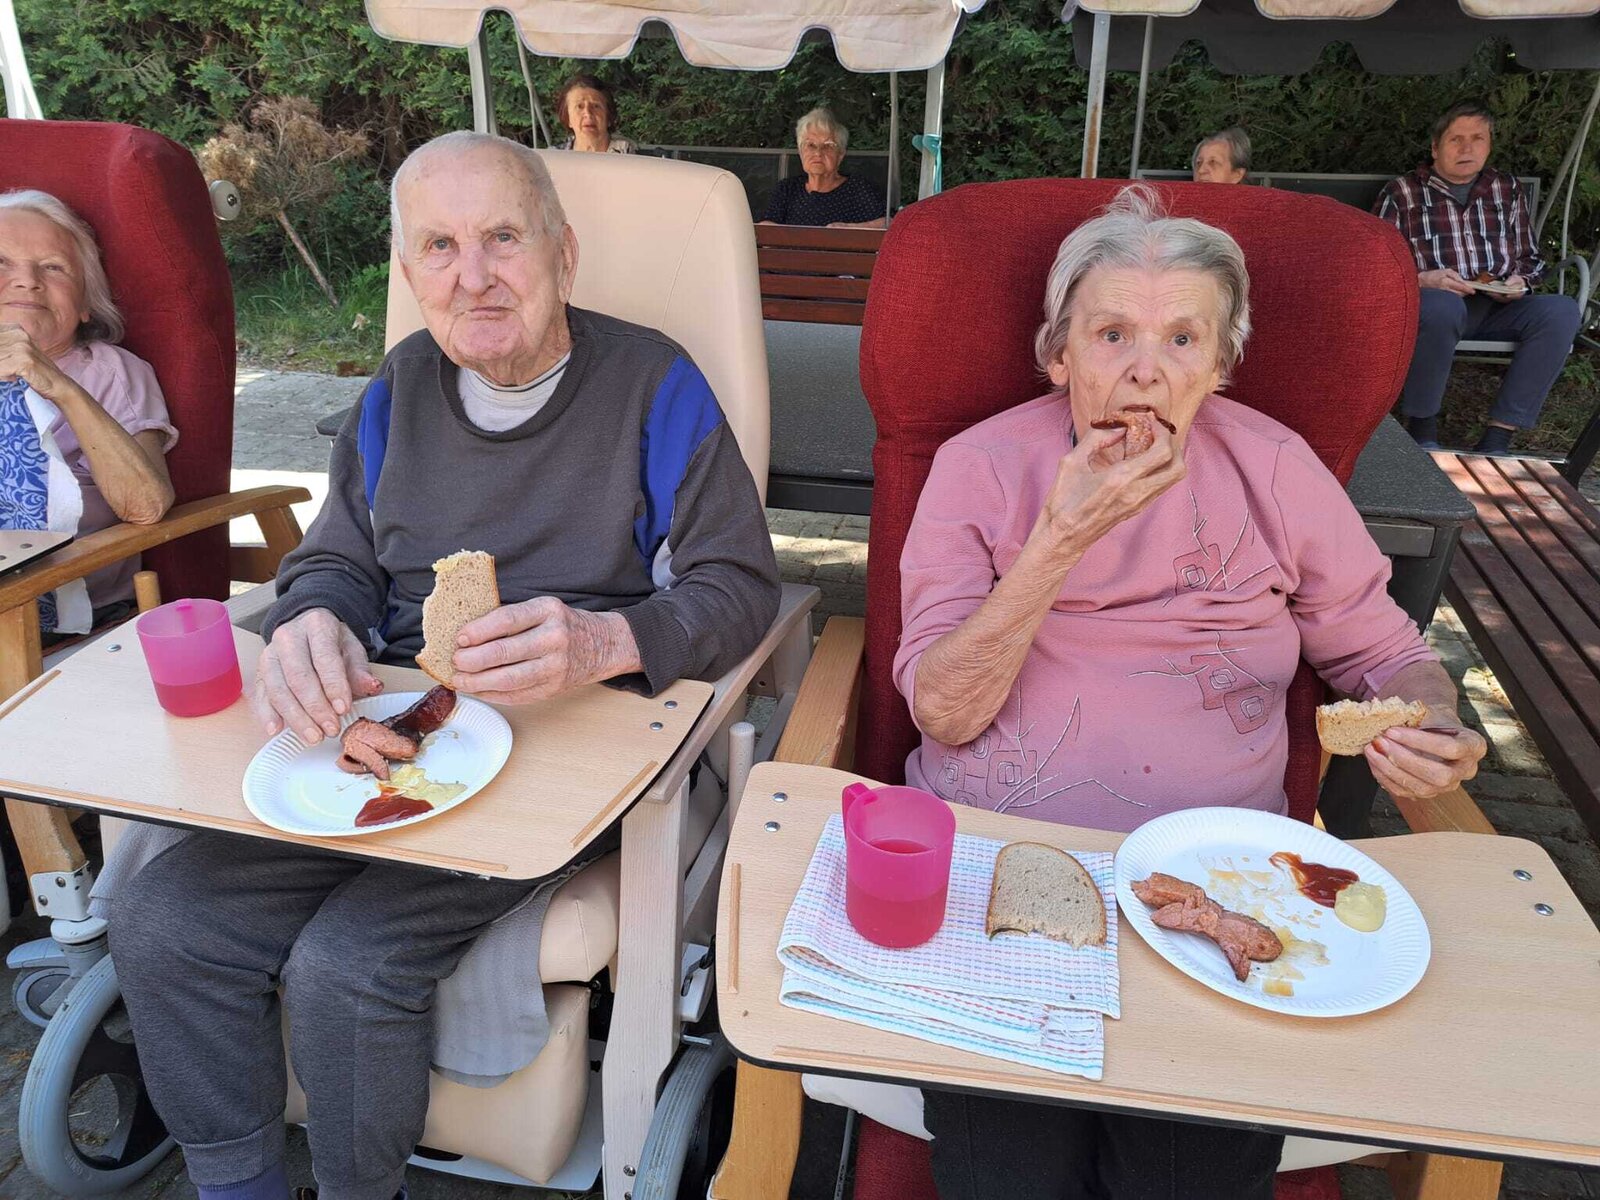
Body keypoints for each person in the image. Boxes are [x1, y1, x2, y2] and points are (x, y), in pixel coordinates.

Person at [108, 131, 780, 1200]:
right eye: (440, 247)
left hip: (568, 746)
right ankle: (236, 1183)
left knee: (348, 964)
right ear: (409, 273)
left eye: (503, 237)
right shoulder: (398, 386)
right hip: (382, 733)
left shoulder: (656, 385)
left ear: (563, 253)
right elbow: (336, 557)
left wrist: (608, 642)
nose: (474, 276)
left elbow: (739, 586)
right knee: (163, 919)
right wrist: (311, 620)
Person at [897, 187, 1486, 1200]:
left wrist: (1429, 713)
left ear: (1219, 365)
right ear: (1058, 354)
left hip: (1224, 883)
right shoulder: (979, 468)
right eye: (1110, 334)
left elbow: (1388, 654)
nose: (1144, 369)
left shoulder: (1277, 469)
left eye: (1182, 338)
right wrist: (1058, 544)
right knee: (1013, 1177)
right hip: (1003, 875)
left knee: (1186, 1178)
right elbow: (944, 712)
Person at [0, 189, 175, 639]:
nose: (27, 281)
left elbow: (147, 505)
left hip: (61, 624)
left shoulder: (109, 373)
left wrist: (57, 386)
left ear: (84, 305)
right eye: (2, 262)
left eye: (53, 267)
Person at [1376, 100, 1581, 452]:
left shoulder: (1506, 189)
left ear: (1489, 145)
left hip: (1498, 306)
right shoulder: (1402, 192)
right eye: (1456, 139)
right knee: (1443, 307)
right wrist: (1424, 279)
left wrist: (1519, 282)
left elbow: (1529, 258)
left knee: (1562, 311)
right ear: (1436, 148)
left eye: (1477, 139)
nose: (1467, 149)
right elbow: (1380, 261)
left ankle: (1498, 437)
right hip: (1434, 306)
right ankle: (1422, 430)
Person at [759, 107, 887, 229]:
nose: (818, 153)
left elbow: (888, 223)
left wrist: (849, 228)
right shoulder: (787, 189)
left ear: (840, 155)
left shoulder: (858, 189)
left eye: (828, 146)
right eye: (811, 145)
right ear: (801, 152)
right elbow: (766, 225)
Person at [555, 73, 635, 154]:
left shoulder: (629, 156)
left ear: (608, 116)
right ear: (568, 118)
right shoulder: (554, 156)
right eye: (579, 106)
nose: (588, 114)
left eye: (596, 106)